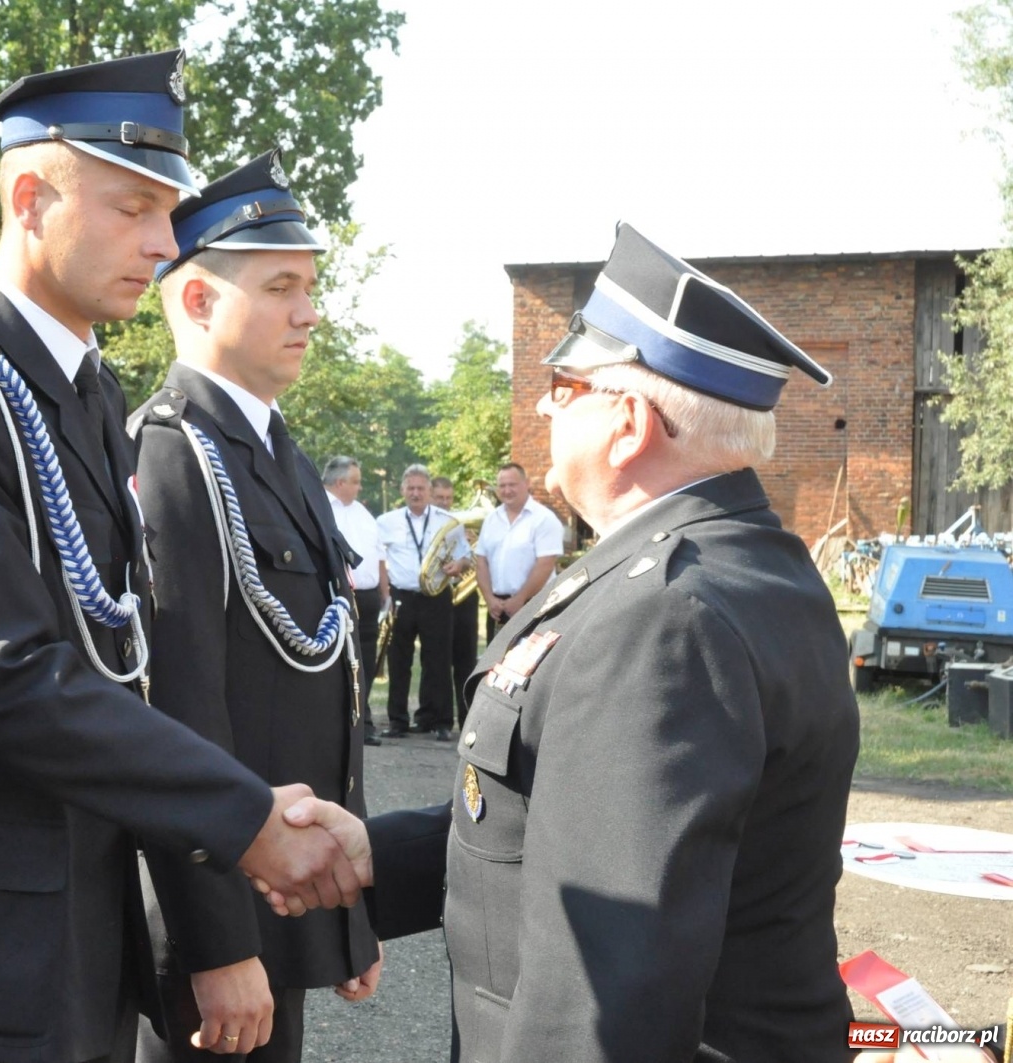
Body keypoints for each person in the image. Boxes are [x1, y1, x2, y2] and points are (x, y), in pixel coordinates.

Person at [0, 52, 366, 1063]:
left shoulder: (84, 399)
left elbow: (126, 665)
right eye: (133, 209)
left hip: (84, 921)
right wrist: (246, 815)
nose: (162, 243)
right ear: (29, 195)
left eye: (167, 213)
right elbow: (4, 680)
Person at [287, 223, 861, 1063]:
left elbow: (604, 989)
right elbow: (560, 824)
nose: (545, 403)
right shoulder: (722, 560)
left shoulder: (664, 618)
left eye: (566, 383)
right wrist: (378, 855)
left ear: (629, 423)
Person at [132, 150, 382, 1063]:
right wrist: (215, 941)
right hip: (230, 917)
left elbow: (328, 684)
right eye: (282, 286)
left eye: (310, 286)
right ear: (198, 302)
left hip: (292, 898)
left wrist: (347, 913)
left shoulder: (280, 454)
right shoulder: (171, 457)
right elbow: (178, 720)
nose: (310, 312)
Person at [375, 464, 467, 741]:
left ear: (430, 491)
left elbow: (464, 556)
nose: (416, 493)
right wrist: (386, 597)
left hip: (436, 597)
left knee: (437, 660)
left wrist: (457, 565)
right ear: (402, 490)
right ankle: (398, 721)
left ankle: (437, 721)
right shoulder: (385, 521)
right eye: (411, 488)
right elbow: (379, 560)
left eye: (421, 488)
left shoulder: (448, 521)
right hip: (401, 597)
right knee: (398, 661)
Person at [323, 455, 386, 745]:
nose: (360, 487)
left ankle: (363, 718)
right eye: (356, 482)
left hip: (369, 597)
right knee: (340, 660)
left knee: (367, 660)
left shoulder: (362, 512)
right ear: (340, 482)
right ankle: (341, 720)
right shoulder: (319, 505)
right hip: (337, 597)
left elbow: (379, 555)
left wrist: (385, 594)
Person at [473, 462, 562, 642]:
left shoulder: (544, 518)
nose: (507, 490)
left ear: (526, 483)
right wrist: (489, 599)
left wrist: (520, 599)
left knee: (530, 666)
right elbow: (481, 562)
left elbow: (545, 564)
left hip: (534, 604)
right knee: (495, 665)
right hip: (498, 608)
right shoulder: (491, 519)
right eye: (502, 486)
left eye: (512, 484)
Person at [429, 475, 480, 715]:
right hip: (437, 597)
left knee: (465, 659)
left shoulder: (457, 523)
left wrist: (461, 562)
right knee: (438, 661)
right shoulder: (426, 523)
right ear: (431, 496)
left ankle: (466, 715)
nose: (444, 502)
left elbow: (468, 556)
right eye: (439, 497)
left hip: (462, 596)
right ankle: (440, 718)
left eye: (448, 498)